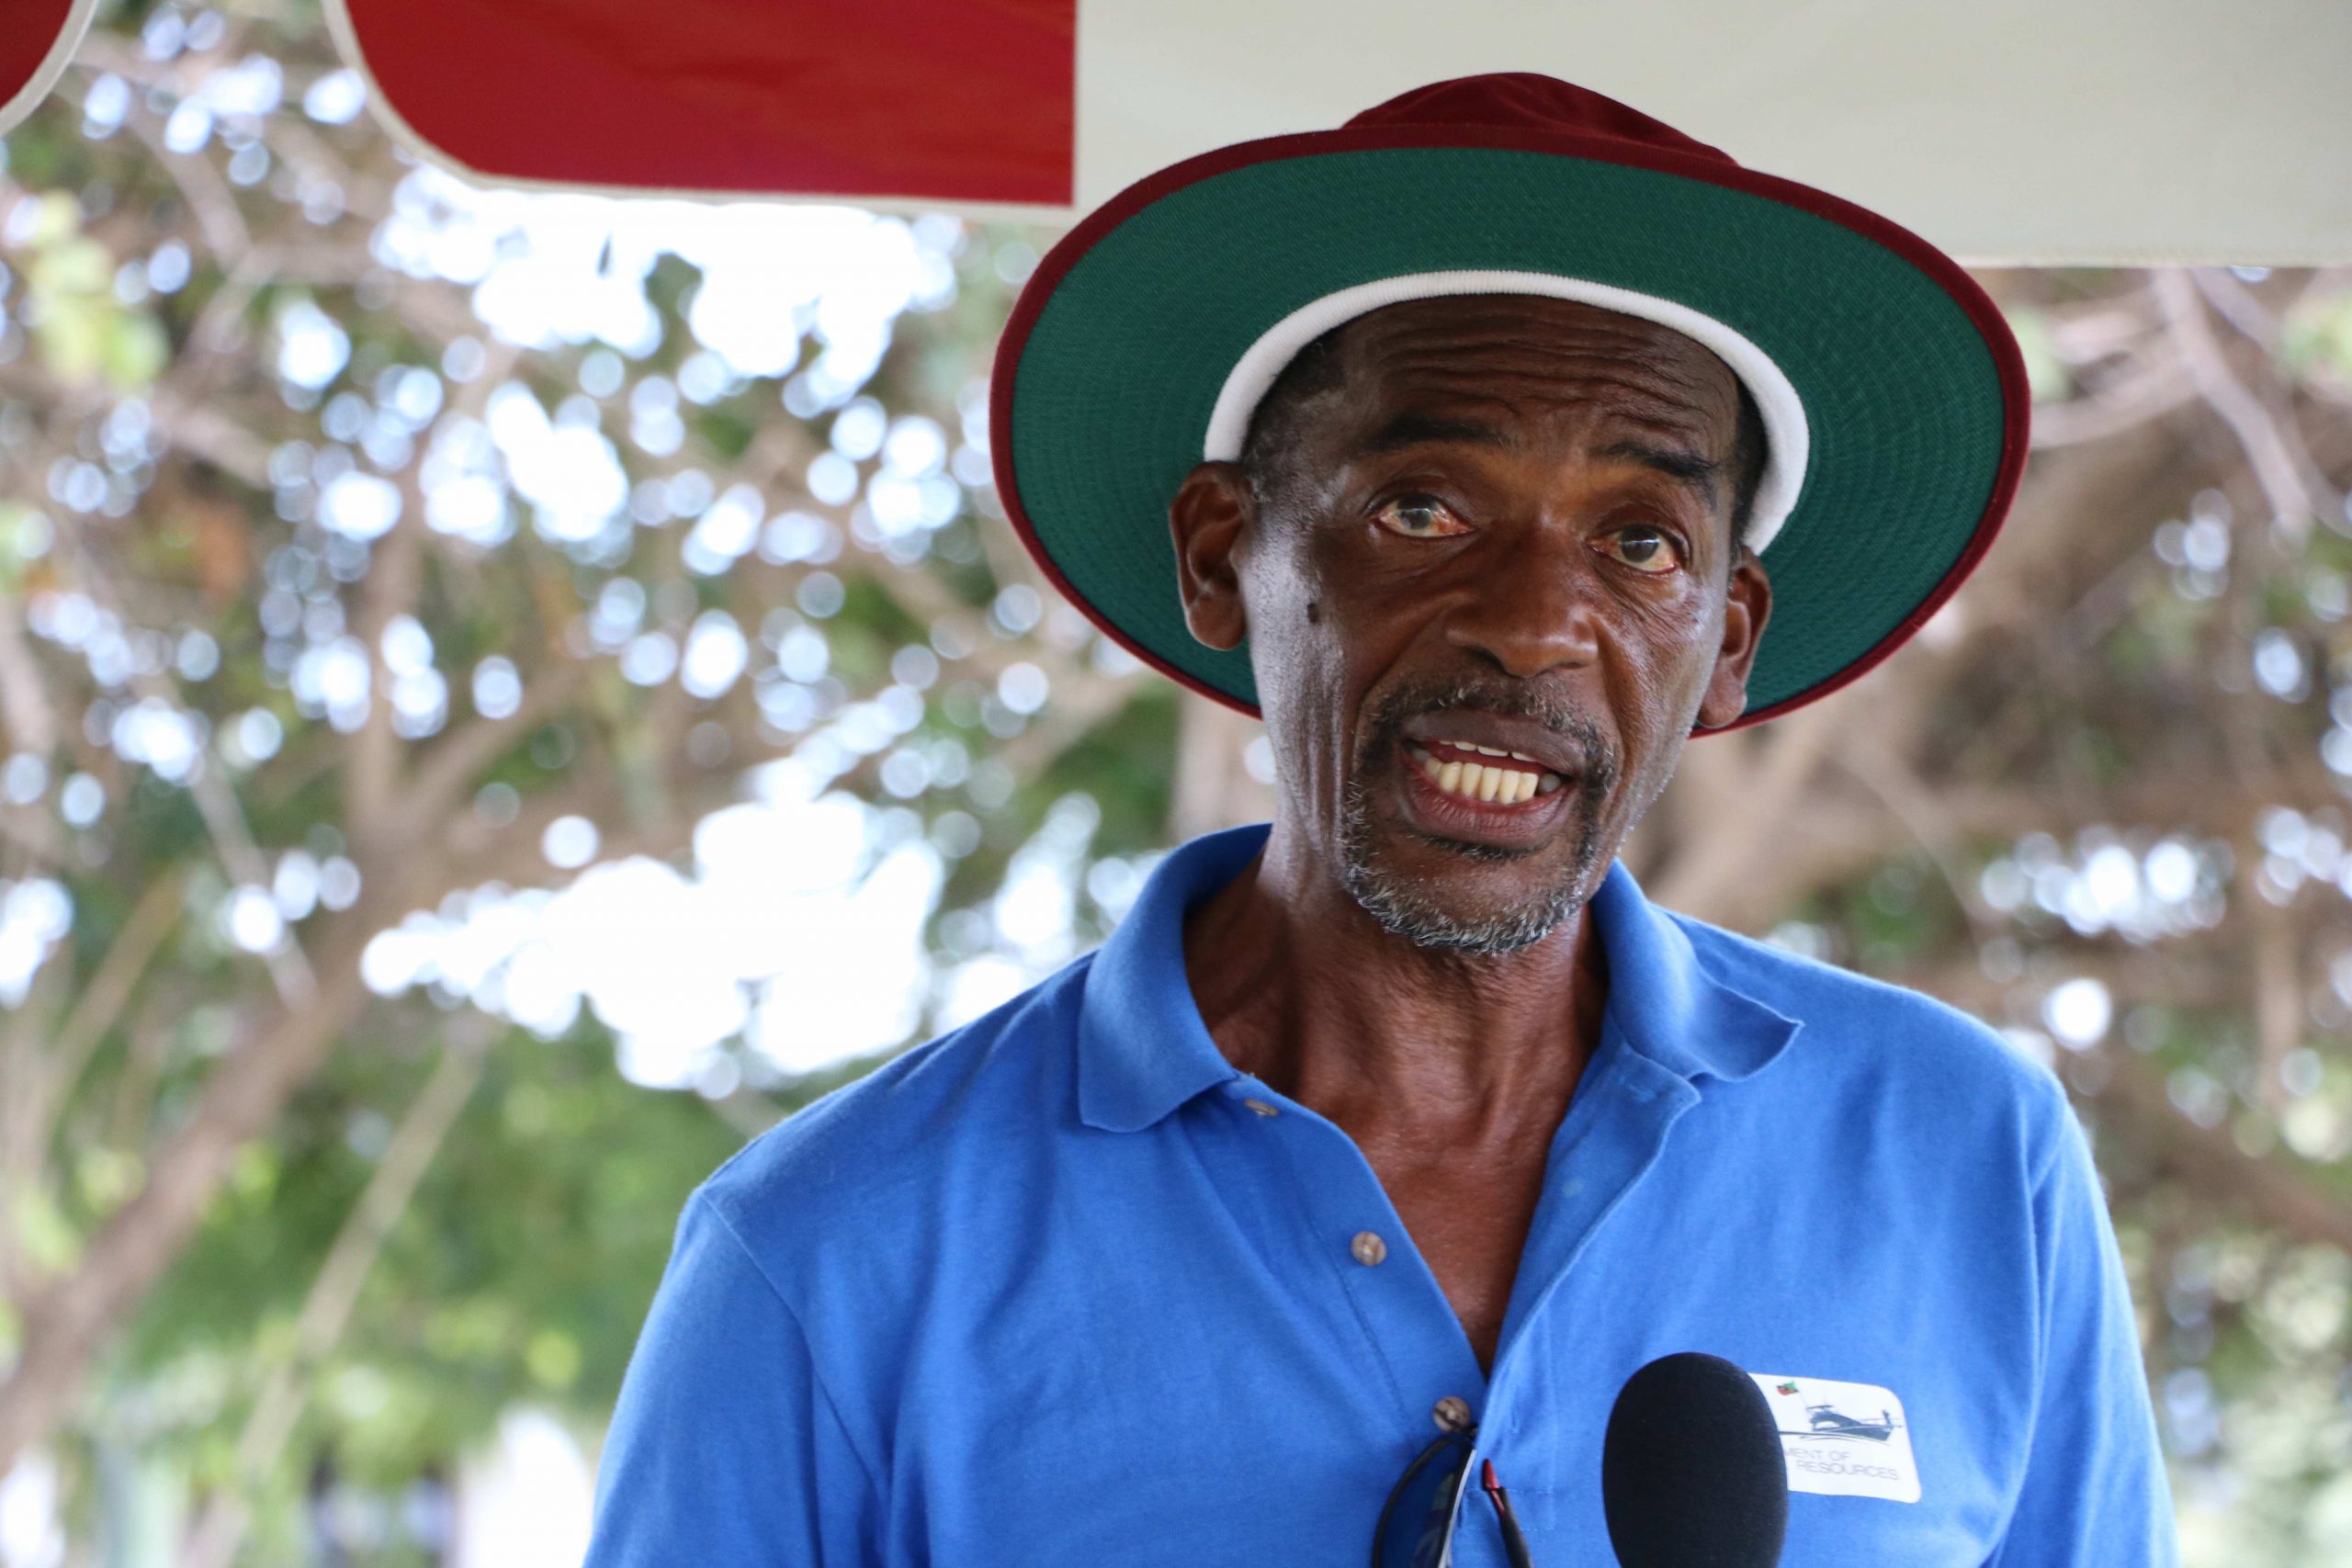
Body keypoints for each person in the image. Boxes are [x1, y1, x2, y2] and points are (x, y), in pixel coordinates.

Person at [583, 74, 2176, 1565]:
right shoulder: (833, 1257)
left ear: (1731, 645)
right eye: (1424, 509)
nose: (1535, 624)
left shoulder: (1967, 1158)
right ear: (1223, 557)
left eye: (1639, 541)